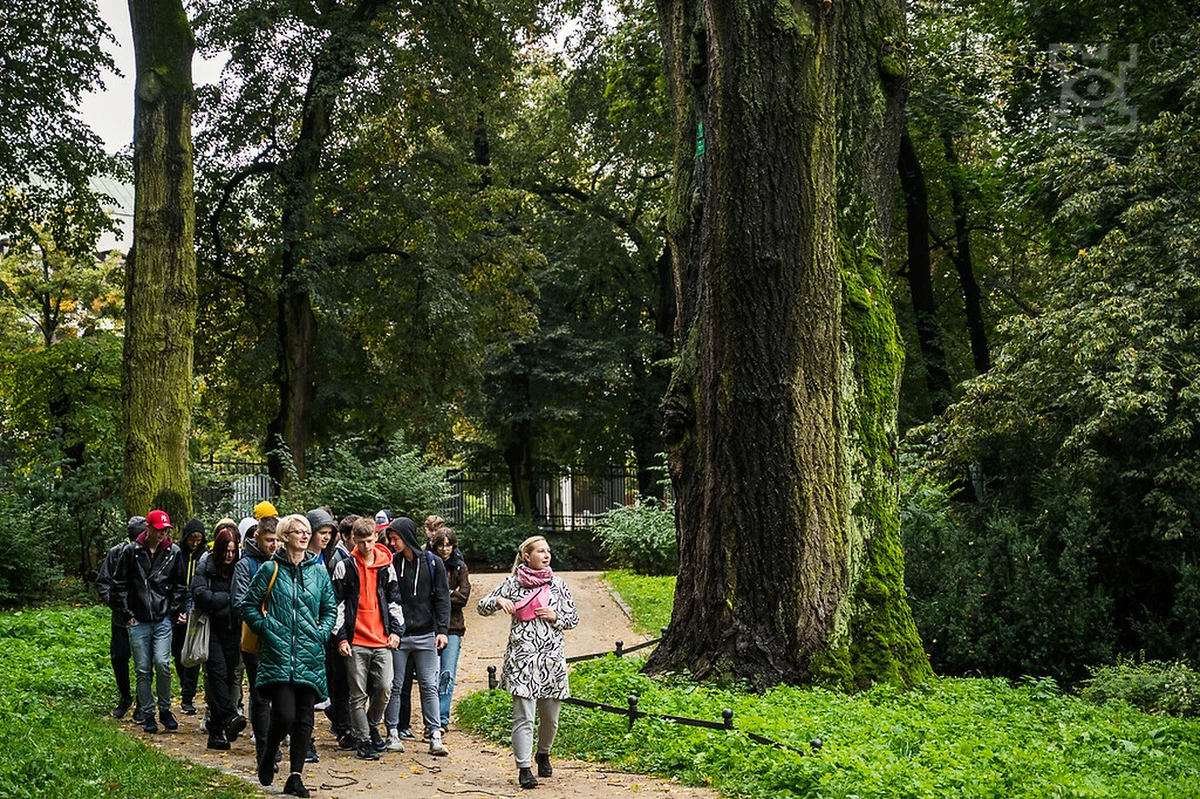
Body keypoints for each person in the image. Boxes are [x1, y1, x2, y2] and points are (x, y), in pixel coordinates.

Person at [237, 513, 336, 799]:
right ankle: (268, 752)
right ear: (285, 536)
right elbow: (248, 606)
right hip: (278, 652)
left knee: (305, 717)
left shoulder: (318, 571)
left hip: (310, 653)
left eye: (307, 531)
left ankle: (295, 776)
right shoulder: (270, 569)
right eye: (298, 532)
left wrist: (322, 632)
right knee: (283, 713)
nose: (305, 536)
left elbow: (330, 608)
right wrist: (267, 628)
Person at [477, 536, 578, 789]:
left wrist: (556, 617)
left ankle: (543, 753)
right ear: (526, 556)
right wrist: (497, 601)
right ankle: (524, 768)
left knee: (550, 718)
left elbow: (573, 618)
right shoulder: (512, 584)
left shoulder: (558, 584)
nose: (546, 555)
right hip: (522, 660)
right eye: (540, 551)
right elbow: (481, 606)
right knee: (524, 716)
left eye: (548, 551)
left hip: (551, 661)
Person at [331, 516, 405, 760]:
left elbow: (394, 601)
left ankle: (372, 725)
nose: (365, 546)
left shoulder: (386, 566)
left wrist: (396, 631)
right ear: (354, 540)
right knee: (357, 693)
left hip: (382, 638)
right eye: (361, 541)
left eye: (369, 541)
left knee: (385, 687)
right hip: (355, 639)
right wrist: (341, 637)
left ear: (375, 538)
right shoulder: (346, 566)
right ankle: (362, 740)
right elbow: (337, 605)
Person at [111, 509, 189, 735]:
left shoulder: (173, 552)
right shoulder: (131, 552)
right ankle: (147, 713)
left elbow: (180, 585)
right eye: (158, 530)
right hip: (138, 619)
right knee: (143, 668)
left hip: (163, 618)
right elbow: (119, 583)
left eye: (165, 530)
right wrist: (126, 613)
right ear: (148, 528)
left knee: (162, 663)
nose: (162, 534)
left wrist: (173, 611)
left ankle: (165, 709)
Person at [383, 516, 451, 756]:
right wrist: (391, 630)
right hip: (398, 636)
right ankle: (392, 732)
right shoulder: (390, 563)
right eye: (390, 539)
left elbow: (442, 598)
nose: (392, 543)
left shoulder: (433, 563)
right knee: (395, 685)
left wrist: (442, 630)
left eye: (395, 538)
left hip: (426, 635)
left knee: (429, 685)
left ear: (407, 537)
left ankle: (434, 734)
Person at [192, 525, 246, 750]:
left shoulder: (240, 568)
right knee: (217, 674)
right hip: (211, 629)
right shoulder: (206, 565)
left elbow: (243, 597)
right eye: (226, 551)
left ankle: (217, 729)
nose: (229, 556)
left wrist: (221, 600)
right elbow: (199, 594)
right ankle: (230, 718)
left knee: (227, 678)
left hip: (234, 630)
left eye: (233, 551)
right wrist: (225, 599)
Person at [231, 515, 280, 767]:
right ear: (257, 537)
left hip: (282, 639)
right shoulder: (245, 565)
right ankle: (264, 751)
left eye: (277, 540)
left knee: (282, 694)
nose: (274, 545)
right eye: (270, 540)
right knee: (261, 695)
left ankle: (274, 743)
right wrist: (265, 623)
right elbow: (240, 603)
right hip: (256, 638)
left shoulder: (284, 562)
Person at [95, 515, 146, 720]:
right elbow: (103, 582)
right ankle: (125, 697)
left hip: (143, 617)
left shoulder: (150, 552)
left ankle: (143, 703)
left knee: (144, 661)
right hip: (120, 619)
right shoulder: (116, 552)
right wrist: (117, 605)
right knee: (119, 657)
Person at [431, 527, 470, 731]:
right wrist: (447, 593)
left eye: (448, 545)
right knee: (431, 674)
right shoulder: (429, 564)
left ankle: (442, 718)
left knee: (447, 673)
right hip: (431, 625)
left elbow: (463, 597)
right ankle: (432, 718)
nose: (445, 549)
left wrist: (440, 594)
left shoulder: (459, 567)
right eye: (441, 545)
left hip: (454, 626)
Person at [173, 518, 207, 714]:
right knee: (177, 651)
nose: (195, 543)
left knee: (192, 650)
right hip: (178, 602)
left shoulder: (205, 555)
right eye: (191, 539)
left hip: (196, 603)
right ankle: (184, 685)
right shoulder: (177, 554)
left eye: (198, 539)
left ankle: (188, 696)